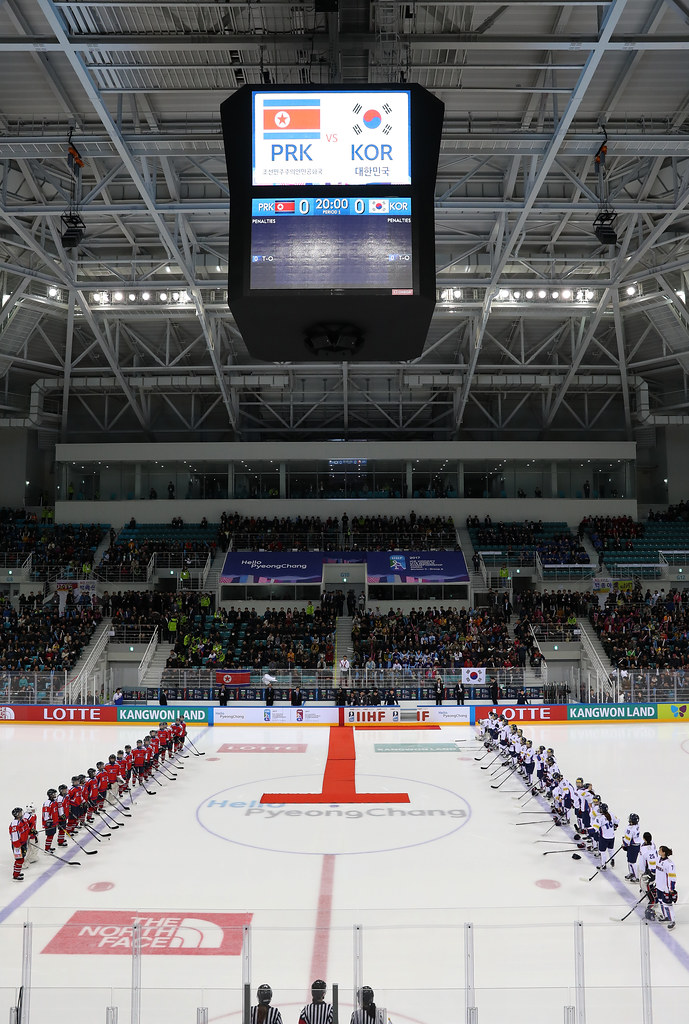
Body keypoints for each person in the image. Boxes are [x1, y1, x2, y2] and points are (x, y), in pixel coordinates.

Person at [654, 845, 677, 929]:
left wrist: (671, 888)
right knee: (661, 902)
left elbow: (672, 877)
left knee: (668, 904)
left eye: (660, 850)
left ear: (664, 852)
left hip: (666, 888)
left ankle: (672, 921)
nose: (658, 851)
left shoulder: (669, 864)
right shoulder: (658, 860)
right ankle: (666, 916)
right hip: (659, 886)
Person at [622, 813, 641, 881]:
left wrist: (624, 844)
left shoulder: (630, 829)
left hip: (632, 846)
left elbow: (627, 840)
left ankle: (636, 877)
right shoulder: (637, 826)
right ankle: (631, 873)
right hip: (636, 845)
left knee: (632, 862)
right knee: (630, 861)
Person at [9, 808, 25, 880]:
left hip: (21, 844)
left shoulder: (21, 821)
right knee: (19, 860)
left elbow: (24, 831)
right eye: (20, 813)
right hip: (17, 846)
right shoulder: (15, 824)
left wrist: (31, 831)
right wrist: (18, 846)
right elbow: (15, 836)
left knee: (21, 859)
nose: (22, 814)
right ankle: (16, 875)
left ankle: (17, 872)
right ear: (17, 815)